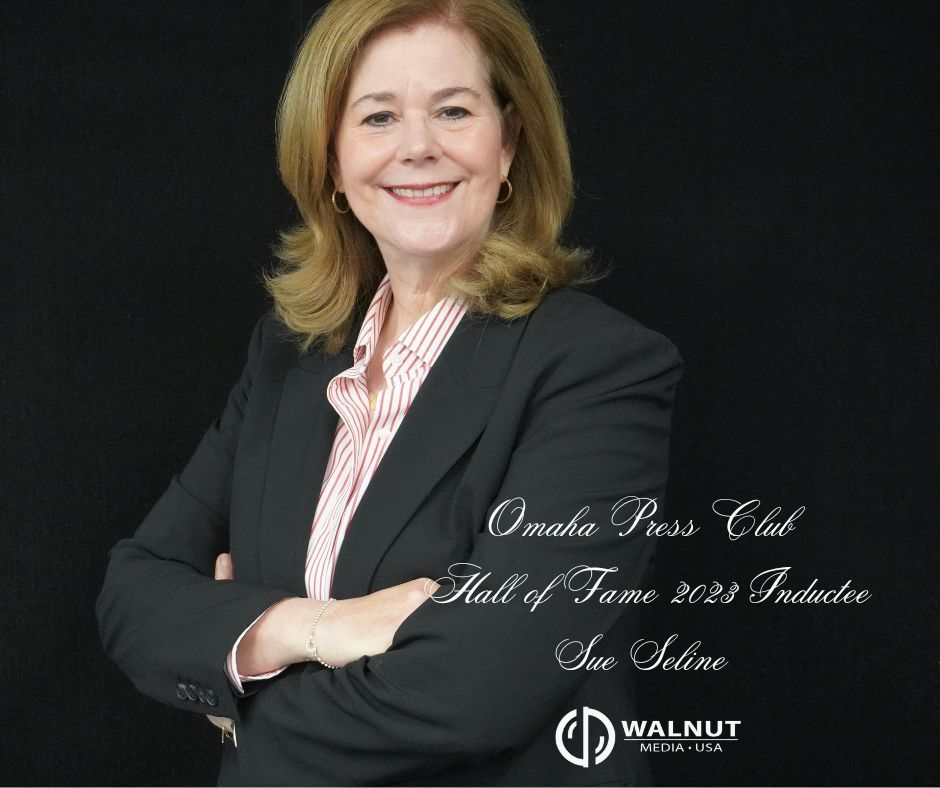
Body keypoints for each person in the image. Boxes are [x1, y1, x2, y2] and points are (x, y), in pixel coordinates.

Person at [95, 0, 683, 785]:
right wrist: (312, 629)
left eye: (453, 110)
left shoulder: (597, 369)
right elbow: (134, 593)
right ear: (331, 161)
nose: (418, 147)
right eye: (376, 117)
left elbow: (476, 689)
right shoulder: (289, 357)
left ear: (508, 142)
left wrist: (240, 688)